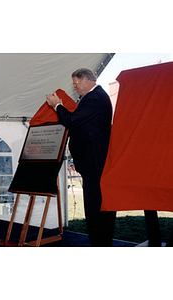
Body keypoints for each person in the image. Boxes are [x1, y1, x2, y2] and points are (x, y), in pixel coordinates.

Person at [46, 68, 116, 246]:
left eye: (76, 84)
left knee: (94, 208)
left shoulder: (94, 98)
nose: (75, 88)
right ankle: (101, 242)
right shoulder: (94, 98)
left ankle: (100, 243)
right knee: (97, 207)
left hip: (94, 162)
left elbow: (71, 120)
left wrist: (57, 105)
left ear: (86, 80)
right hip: (93, 162)